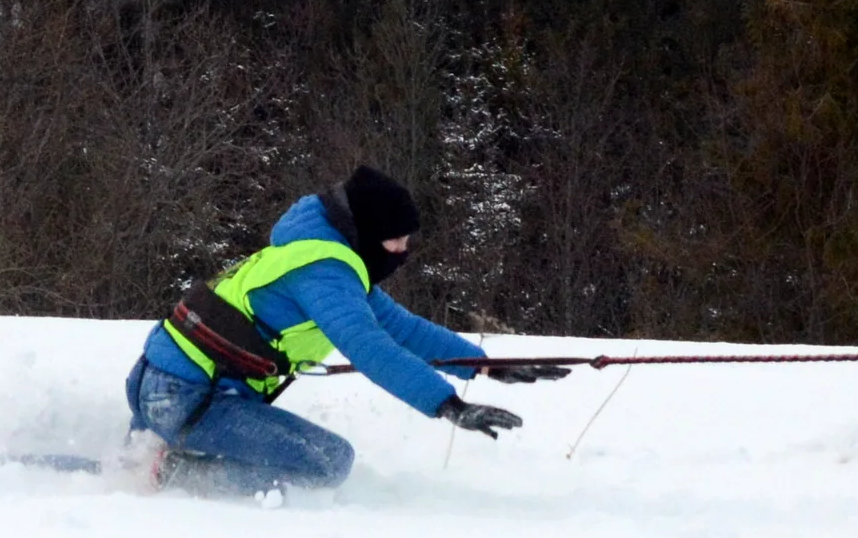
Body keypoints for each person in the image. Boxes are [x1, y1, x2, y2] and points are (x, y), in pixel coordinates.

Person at [123, 165, 567, 495]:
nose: (403, 250)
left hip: (162, 382)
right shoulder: (324, 272)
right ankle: (176, 475)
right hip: (188, 396)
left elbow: (402, 329)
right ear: (368, 232)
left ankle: (137, 470)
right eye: (396, 239)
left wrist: (487, 366)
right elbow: (370, 348)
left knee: (118, 474)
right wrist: (448, 405)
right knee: (328, 462)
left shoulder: (319, 256)